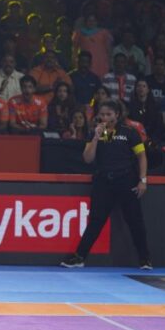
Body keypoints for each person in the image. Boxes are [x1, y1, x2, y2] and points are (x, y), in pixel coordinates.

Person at [61, 100, 151, 270]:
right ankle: (79, 257)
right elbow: (88, 158)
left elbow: (142, 157)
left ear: (117, 114)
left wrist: (143, 180)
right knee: (96, 220)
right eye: (102, 114)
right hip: (103, 182)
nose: (105, 117)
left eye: (109, 114)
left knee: (135, 221)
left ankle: (145, 259)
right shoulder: (97, 133)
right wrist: (96, 137)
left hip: (126, 180)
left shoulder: (129, 132)